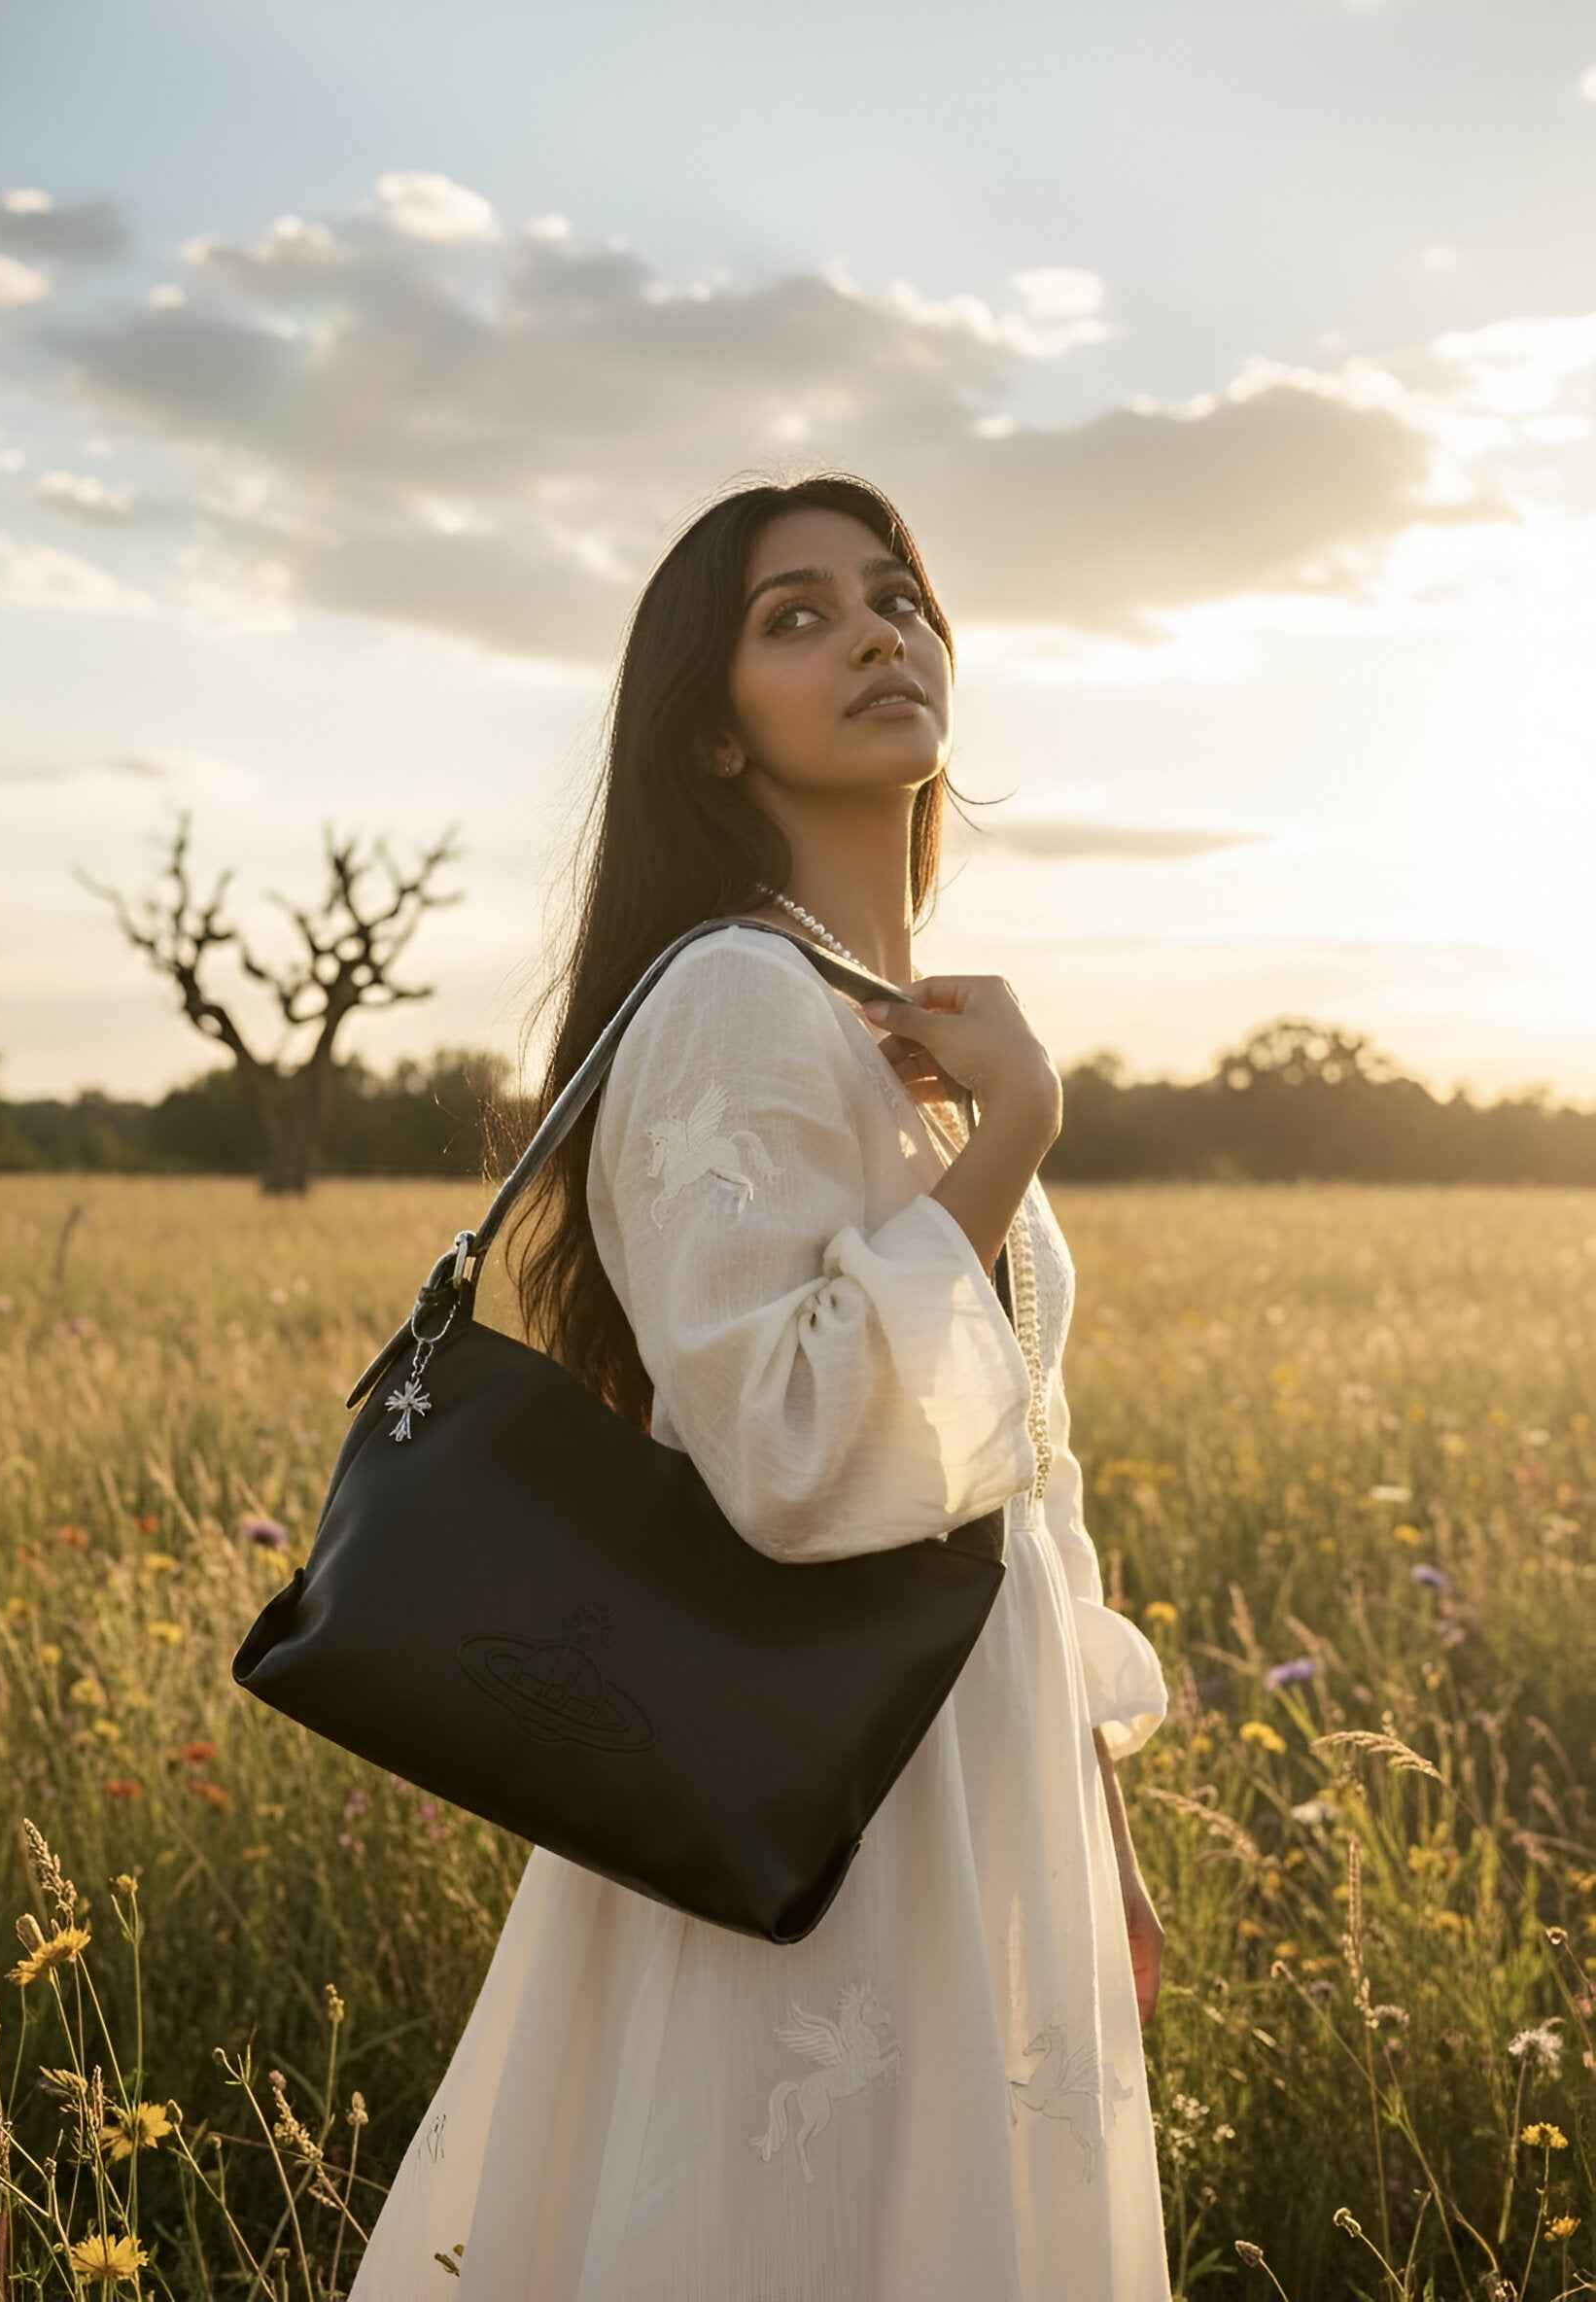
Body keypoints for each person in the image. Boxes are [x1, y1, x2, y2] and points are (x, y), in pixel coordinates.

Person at [347, 471, 1172, 2299]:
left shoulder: (886, 1019)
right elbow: (788, 1452)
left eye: (897, 596)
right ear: (714, 735)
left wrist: (1098, 1833)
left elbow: (1025, 1464)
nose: (876, 632)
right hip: (830, 1776)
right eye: (796, 616)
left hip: (982, 1771)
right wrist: (1017, 1132)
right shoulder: (732, 996)